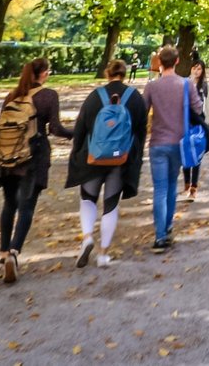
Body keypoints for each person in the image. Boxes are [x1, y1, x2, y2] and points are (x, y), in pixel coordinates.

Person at [0, 56, 73, 285]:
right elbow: (56, 128)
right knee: (27, 207)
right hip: (33, 158)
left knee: (9, 205)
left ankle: (3, 253)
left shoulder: (11, 96)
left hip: (7, 157)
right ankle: (14, 252)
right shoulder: (48, 95)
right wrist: (76, 134)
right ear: (44, 74)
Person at [65, 59, 148, 268]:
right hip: (120, 160)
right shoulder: (135, 98)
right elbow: (140, 133)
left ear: (107, 73)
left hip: (92, 158)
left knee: (88, 199)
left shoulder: (94, 97)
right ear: (125, 73)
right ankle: (103, 254)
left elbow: (80, 129)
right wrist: (136, 159)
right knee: (111, 205)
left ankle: (87, 237)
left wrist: (76, 155)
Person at [143, 47, 203, 252]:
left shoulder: (152, 86)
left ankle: (160, 236)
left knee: (159, 189)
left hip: (157, 143)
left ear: (160, 62)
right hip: (178, 142)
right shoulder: (186, 84)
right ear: (177, 61)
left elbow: (143, 111)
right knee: (171, 186)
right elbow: (198, 108)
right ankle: (167, 227)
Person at [184, 57, 209, 201]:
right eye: (194, 68)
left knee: (197, 156)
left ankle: (194, 187)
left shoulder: (206, 87)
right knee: (186, 154)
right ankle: (186, 182)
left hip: (200, 125)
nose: (197, 71)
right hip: (185, 124)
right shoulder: (184, 84)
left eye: (199, 69)